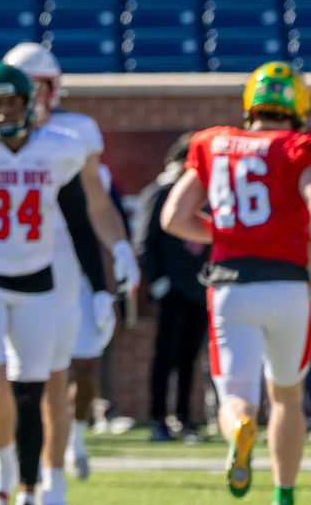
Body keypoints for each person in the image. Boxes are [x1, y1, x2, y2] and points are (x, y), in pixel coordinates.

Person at [0, 62, 139, 505]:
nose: (5, 113)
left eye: (13, 103)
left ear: (31, 105)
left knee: (32, 391)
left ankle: (31, 490)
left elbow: (81, 224)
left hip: (39, 286)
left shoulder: (58, 148)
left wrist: (102, 287)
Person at [161, 60, 311, 505]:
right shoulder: (298, 146)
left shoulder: (214, 143)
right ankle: (284, 494)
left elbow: (173, 217)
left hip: (230, 285)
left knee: (236, 397)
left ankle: (240, 430)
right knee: (286, 395)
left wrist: (231, 231)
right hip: (287, 284)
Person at [134, 132, 210, 443]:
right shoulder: (160, 192)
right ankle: (158, 418)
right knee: (165, 356)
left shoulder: (205, 195)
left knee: (190, 357)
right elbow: (143, 243)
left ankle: (184, 417)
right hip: (172, 289)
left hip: (199, 285)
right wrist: (158, 281)